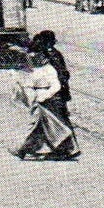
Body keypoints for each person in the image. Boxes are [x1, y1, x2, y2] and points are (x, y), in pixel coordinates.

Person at [13, 33, 80, 161]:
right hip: (55, 94)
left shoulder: (51, 56)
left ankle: (26, 149)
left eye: (40, 41)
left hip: (53, 95)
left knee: (48, 122)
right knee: (53, 122)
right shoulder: (51, 53)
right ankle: (66, 149)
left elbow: (61, 76)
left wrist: (52, 92)